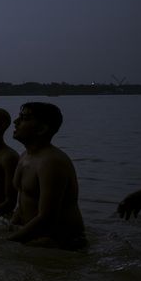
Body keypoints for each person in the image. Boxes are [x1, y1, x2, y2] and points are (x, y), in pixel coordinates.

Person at [8, 102, 87, 249]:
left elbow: (47, 218)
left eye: (24, 118)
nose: (16, 122)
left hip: (62, 243)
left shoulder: (51, 162)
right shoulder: (25, 156)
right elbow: (23, 200)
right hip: (34, 235)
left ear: (42, 129)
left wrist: (8, 242)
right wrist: (12, 225)